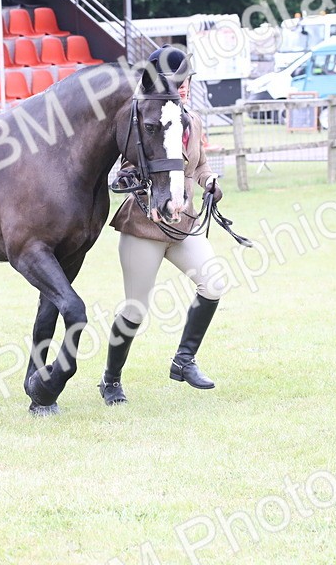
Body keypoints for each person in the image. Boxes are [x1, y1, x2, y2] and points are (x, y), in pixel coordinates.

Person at [98, 47, 229, 406]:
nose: (184, 87)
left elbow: (198, 166)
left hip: (183, 225)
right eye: (177, 82)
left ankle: (184, 361)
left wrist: (210, 181)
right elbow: (127, 162)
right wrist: (127, 179)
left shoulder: (193, 120)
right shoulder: (144, 115)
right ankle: (110, 380)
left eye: (186, 80)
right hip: (146, 225)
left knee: (214, 283)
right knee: (136, 309)